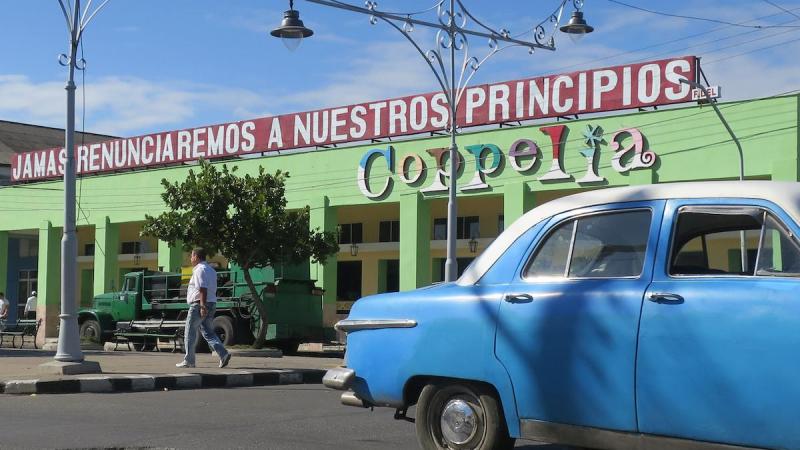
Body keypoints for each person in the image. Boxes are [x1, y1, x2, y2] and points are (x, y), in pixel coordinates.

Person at [176, 247, 231, 369]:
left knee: (189, 332)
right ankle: (223, 354)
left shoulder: (199, 270)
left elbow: (202, 289)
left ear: (196, 256)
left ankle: (189, 360)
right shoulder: (211, 270)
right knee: (208, 332)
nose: (190, 259)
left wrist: (202, 306)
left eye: (191, 256)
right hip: (211, 303)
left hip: (199, 304)